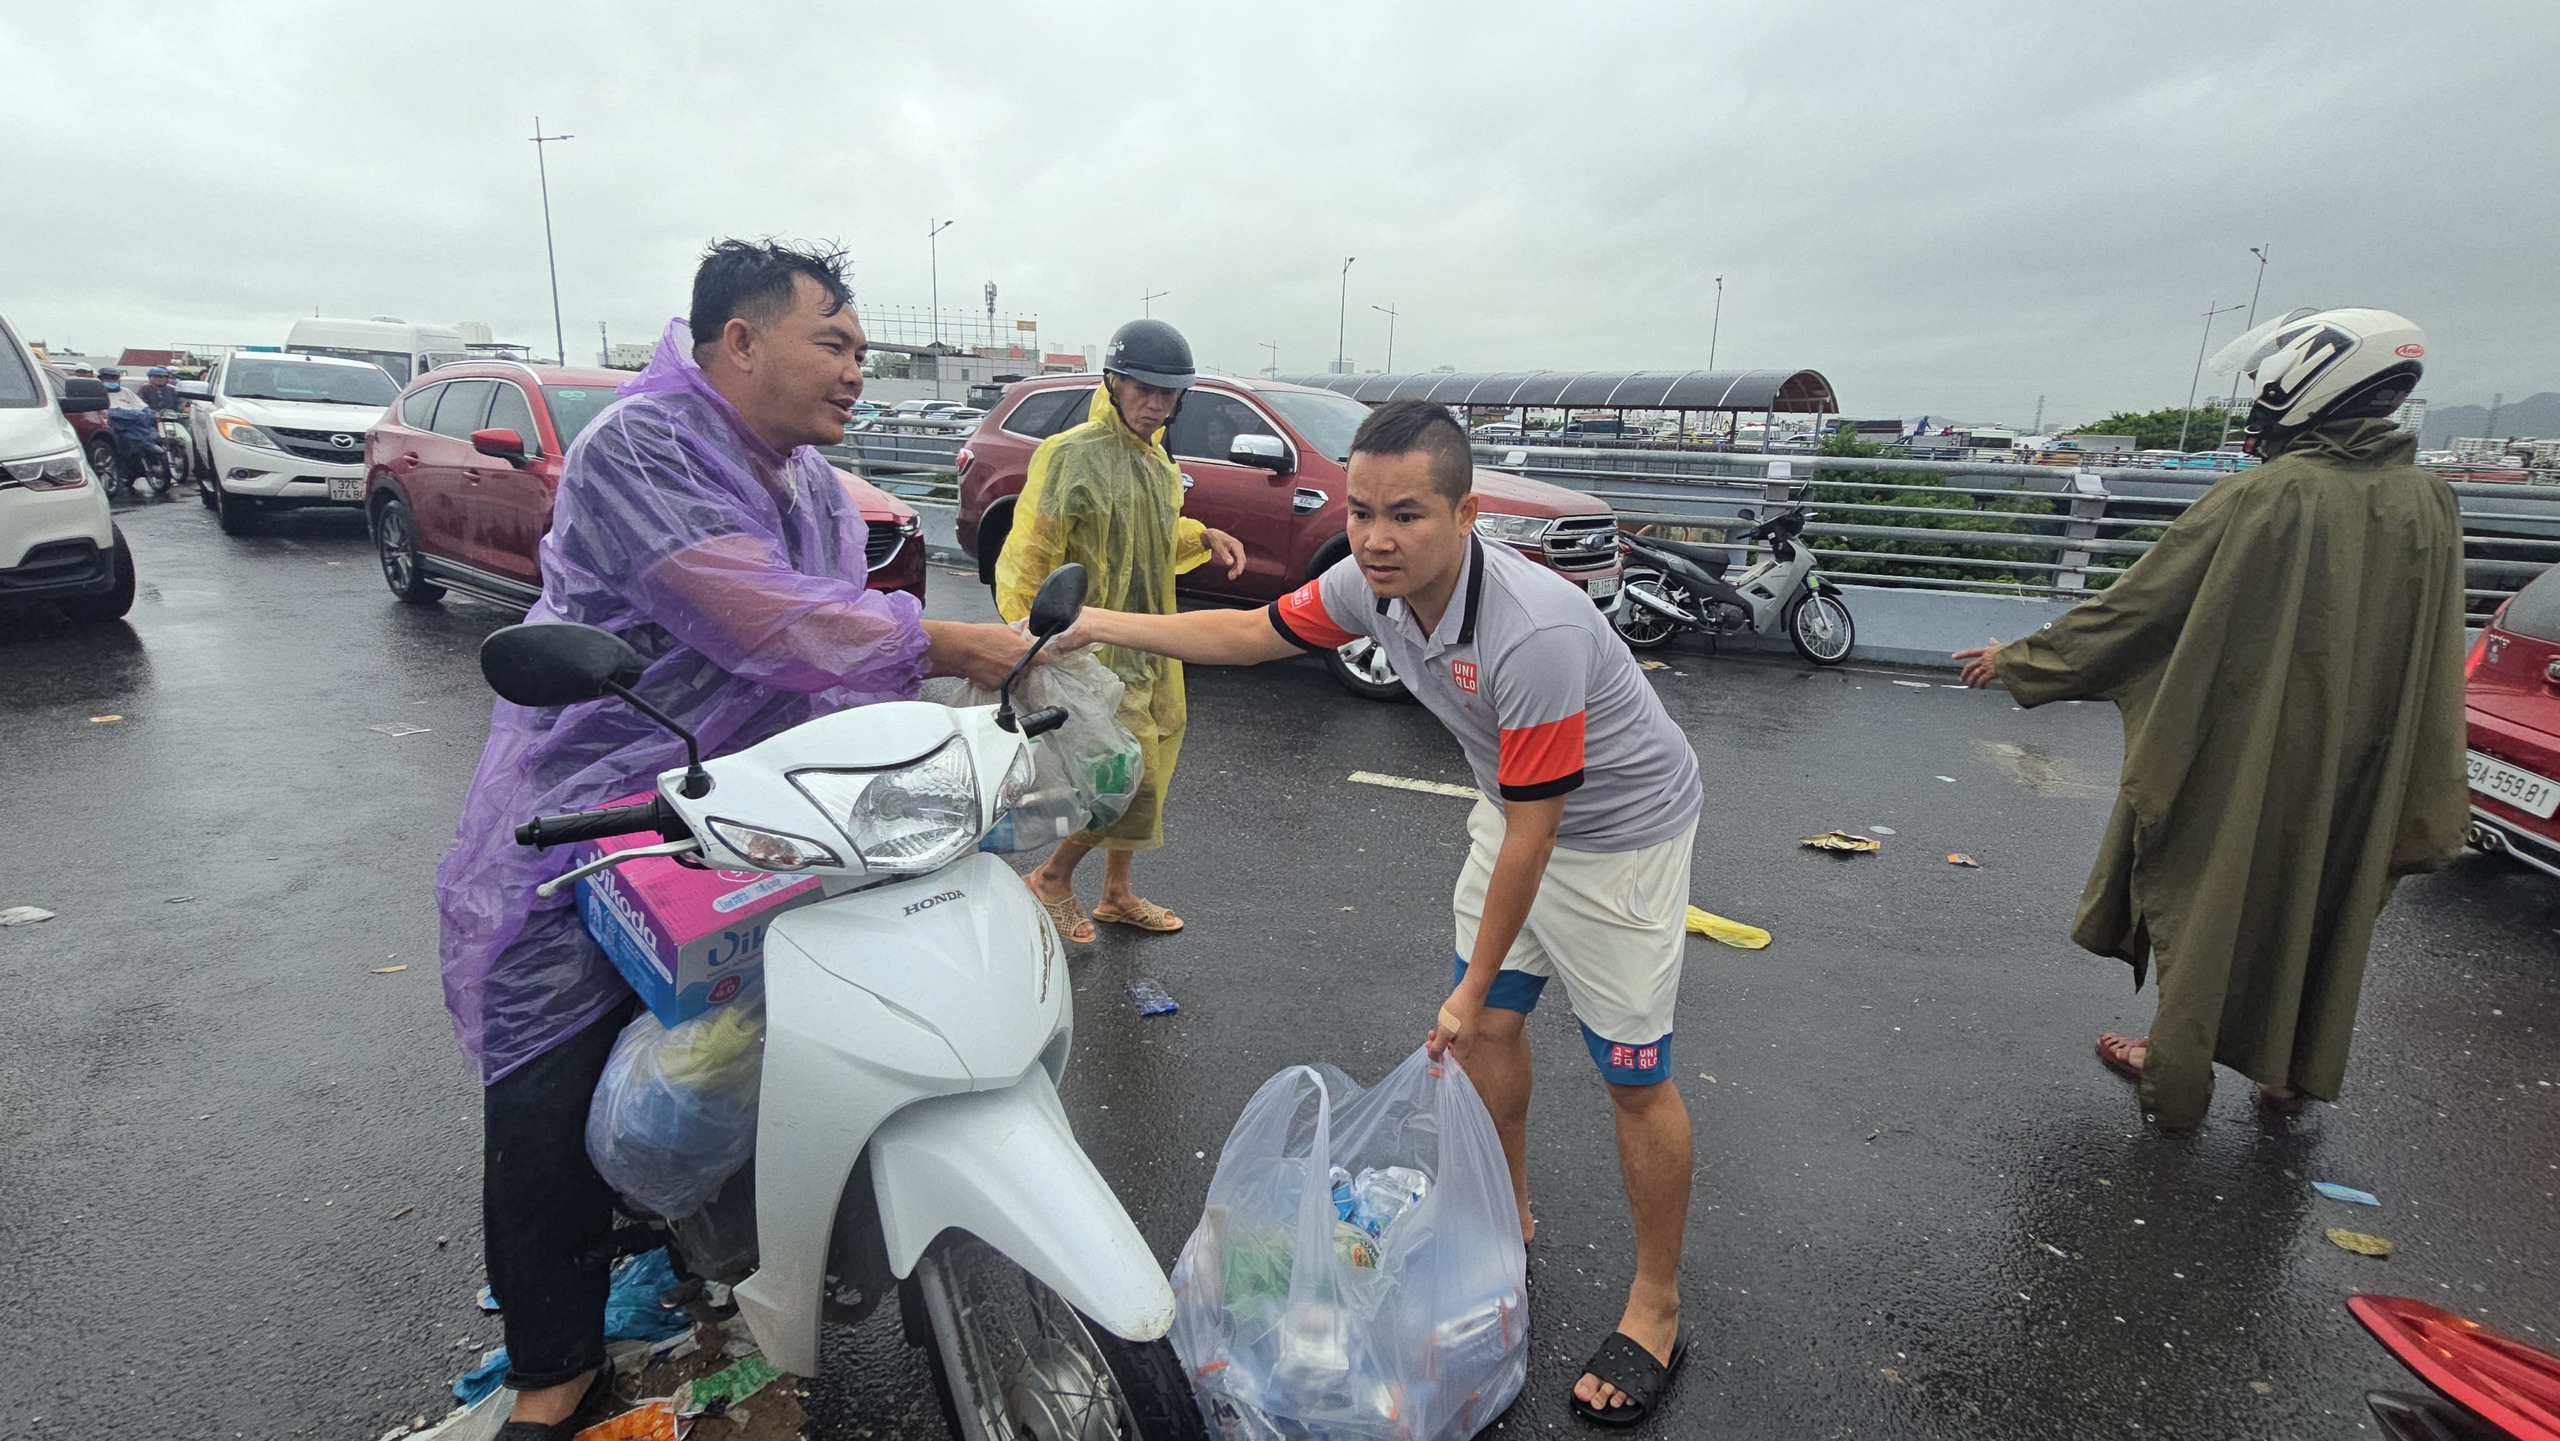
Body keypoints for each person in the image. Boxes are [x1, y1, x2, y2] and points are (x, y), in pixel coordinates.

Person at [434, 239, 1033, 1439]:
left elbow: (831, 650)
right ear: (741, 341)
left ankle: (732, 1239)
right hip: (604, 806)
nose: (857, 370)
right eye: (835, 342)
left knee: (768, 1032)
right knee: (548, 1076)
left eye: (863, 348)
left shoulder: (811, 485)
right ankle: (554, 1360)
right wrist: (952, 645)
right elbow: (767, 620)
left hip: (754, 802)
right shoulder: (640, 447)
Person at [1060, 399, 1705, 1426]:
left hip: (1619, 837)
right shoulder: (1369, 588)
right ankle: (1508, 1216)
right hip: (1515, 809)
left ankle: (1657, 1306)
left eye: (1406, 514)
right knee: (1486, 1030)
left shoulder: (1531, 631)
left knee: (1632, 1079)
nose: (1375, 537)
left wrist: (1470, 987)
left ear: (1466, 514)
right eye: (1361, 511)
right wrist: (1099, 623)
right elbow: (1249, 631)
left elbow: (1540, 837)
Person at [1955, 306, 2468, 1133]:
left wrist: (2022, 660)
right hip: (2370, 755)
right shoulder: (2431, 501)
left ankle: (2176, 1069)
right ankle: (2291, 1077)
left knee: (2211, 892)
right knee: (2325, 900)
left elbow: (2143, 608)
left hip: (2254, 744)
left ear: (2308, 385)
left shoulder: (2266, 496)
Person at [997, 318, 1245, 941]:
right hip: (1091, 650)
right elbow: (1031, 553)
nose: (1156, 404)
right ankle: (1052, 877)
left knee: (1153, 763)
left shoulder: (1159, 464)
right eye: (1143, 388)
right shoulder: (1070, 454)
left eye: (1169, 393)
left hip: (1150, 642)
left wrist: (1203, 535)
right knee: (1121, 774)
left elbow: (1151, 538)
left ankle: (1116, 893)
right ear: (1113, 382)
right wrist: (1032, 639)